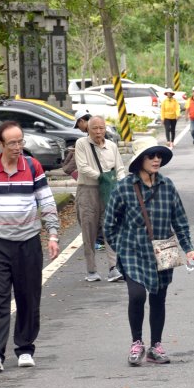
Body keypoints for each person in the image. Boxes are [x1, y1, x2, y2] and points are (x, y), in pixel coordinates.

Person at [0, 121, 60, 373]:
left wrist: (53, 234)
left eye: (21, 141)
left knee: (28, 298)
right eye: (13, 143)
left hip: (28, 243)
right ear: (0, 145)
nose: (18, 147)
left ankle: (24, 348)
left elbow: (47, 201)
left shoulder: (32, 167)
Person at [104, 136, 194, 366]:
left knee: (159, 298)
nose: (156, 159)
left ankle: (156, 345)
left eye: (159, 156)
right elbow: (109, 224)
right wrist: (121, 248)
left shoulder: (167, 186)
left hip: (163, 249)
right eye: (150, 156)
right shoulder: (124, 187)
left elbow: (180, 221)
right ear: (139, 161)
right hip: (133, 252)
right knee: (137, 296)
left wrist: (189, 249)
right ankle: (137, 342)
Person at [75, 115, 126, 282]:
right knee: (89, 229)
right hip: (88, 190)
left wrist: (120, 184)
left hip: (109, 191)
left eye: (101, 128)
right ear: (88, 129)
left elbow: (120, 168)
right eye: (94, 128)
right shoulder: (81, 144)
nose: (98, 131)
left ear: (105, 129)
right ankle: (91, 270)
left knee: (110, 227)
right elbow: (82, 167)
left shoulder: (112, 146)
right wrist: (102, 177)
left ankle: (113, 267)